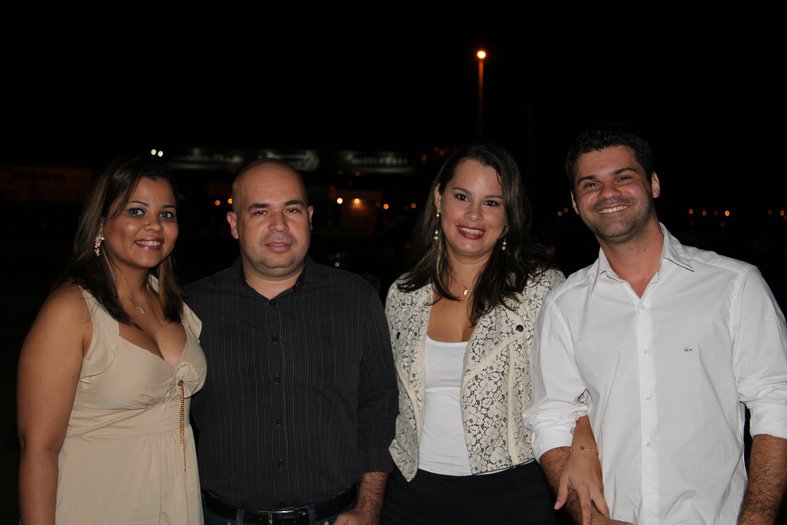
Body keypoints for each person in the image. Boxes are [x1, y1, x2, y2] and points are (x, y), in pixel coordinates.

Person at [524, 123, 787, 524]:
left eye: (623, 177)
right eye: (590, 184)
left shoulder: (735, 285)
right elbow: (551, 417)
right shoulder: (564, 304)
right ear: (575, 203)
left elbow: (776, 402)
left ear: (654, 184)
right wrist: (591, 519)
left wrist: (757, 517)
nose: (608, 193)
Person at [380, 143, 603, 525]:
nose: (473, 215)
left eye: (491, 203)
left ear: (509, 215)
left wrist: (583, 447)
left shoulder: (542, 290)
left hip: (514, 498)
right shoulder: (402, 294)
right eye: (462, 197)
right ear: (439, 199)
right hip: (411, 497)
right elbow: (383, 400)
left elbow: (581, 389)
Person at [184, 158, 398, 525]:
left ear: (310, 217)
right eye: (260, 211)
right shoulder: (192, 307)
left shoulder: (356, 298)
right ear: (234, 224)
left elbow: (379, 408)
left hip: (335, 518)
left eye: (292, 209)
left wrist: (367, 508)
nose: (279, 225)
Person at [17, 156, 207, 524]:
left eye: (167, 214)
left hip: (173, 505)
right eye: (136, 211)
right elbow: (39, 449)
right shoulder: (71, 311)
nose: (154, 225)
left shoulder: (175, 305)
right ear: (101, 224)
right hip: (94, 506)